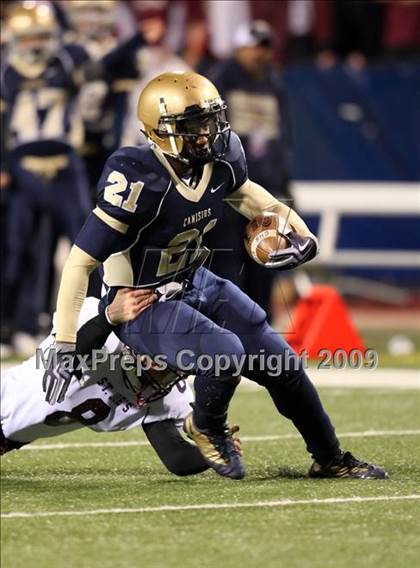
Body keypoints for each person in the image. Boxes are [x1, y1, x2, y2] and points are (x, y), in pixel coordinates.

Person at [44, 71, 387, 481]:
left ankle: (330, 458)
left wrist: (299, 230)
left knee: (283, 364)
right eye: (190, 128)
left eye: (208, 123)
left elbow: (246, 193)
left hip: (194, 281)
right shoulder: (137, 178)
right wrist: (66, 342)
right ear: (159, 132)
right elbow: (80, 262)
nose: (204, 136)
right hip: (141, 302)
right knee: (223, 353)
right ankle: (204, 426)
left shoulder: (222, 156)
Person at [1, 288, 242, 477]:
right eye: (162, 365)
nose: (163, 380)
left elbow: (176, 457)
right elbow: (75, 354)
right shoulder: (98, 330)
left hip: (10, 438)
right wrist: (107, 318)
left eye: (174, 372)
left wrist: (211, 454)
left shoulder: (169, 395)